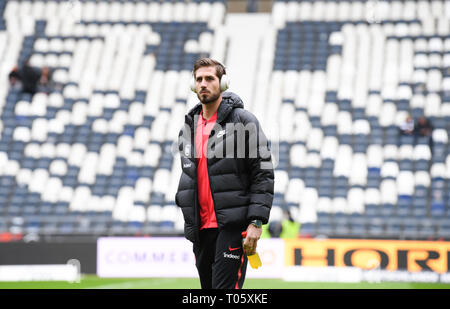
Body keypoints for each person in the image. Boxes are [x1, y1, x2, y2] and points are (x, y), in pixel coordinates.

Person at [175, 58, 274, 289]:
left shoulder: (244, 121)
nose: (203, 84)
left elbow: (263, 173)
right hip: (201, 230)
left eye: (209, 78)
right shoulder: (187, 129)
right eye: (199, 79)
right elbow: (190, 176)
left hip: (232, 226)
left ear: (223, 83)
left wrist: (256, 222)